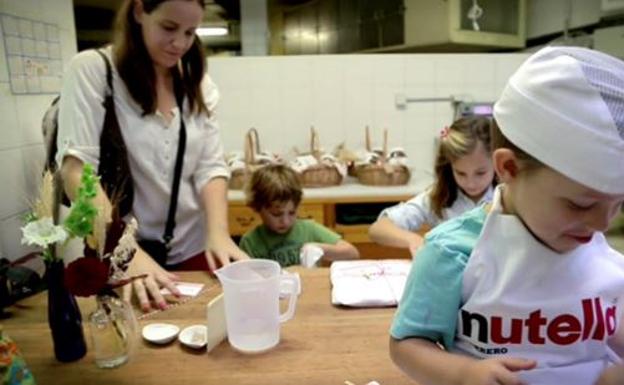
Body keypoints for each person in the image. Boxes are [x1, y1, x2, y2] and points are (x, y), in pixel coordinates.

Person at [389, 46, 624, 385]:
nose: (602, 225)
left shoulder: (596, 250)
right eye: (580, 205)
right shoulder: (452, 253)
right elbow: (406, 345)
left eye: (617, 205)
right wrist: (466, 373)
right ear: (509, 168)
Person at [56, 0, 248, 312]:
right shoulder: (94, 71)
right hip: (119, 247)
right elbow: (77, 171)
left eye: (190, 32)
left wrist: (219, 233)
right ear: (138, 11)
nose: (180, 44)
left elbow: (211, 167)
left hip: (192, 246)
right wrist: (125, 250)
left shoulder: (197, 83)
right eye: (169, 28)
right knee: (129, 345)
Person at [368, 116, 495, 255]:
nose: (471, 183)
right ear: (449, 167)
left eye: (480, 173)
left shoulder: (508, 196)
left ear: (497, 163)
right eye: (461, 173)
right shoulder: (439, 198)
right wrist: (413, 240)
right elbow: (378, 229)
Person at [239, 164, 359, 267]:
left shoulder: (309, 229)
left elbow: (353, 254)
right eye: (276, 214)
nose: (285, 221)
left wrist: (320, 249)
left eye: (292, 213)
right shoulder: (250, 242)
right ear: (258, 208)